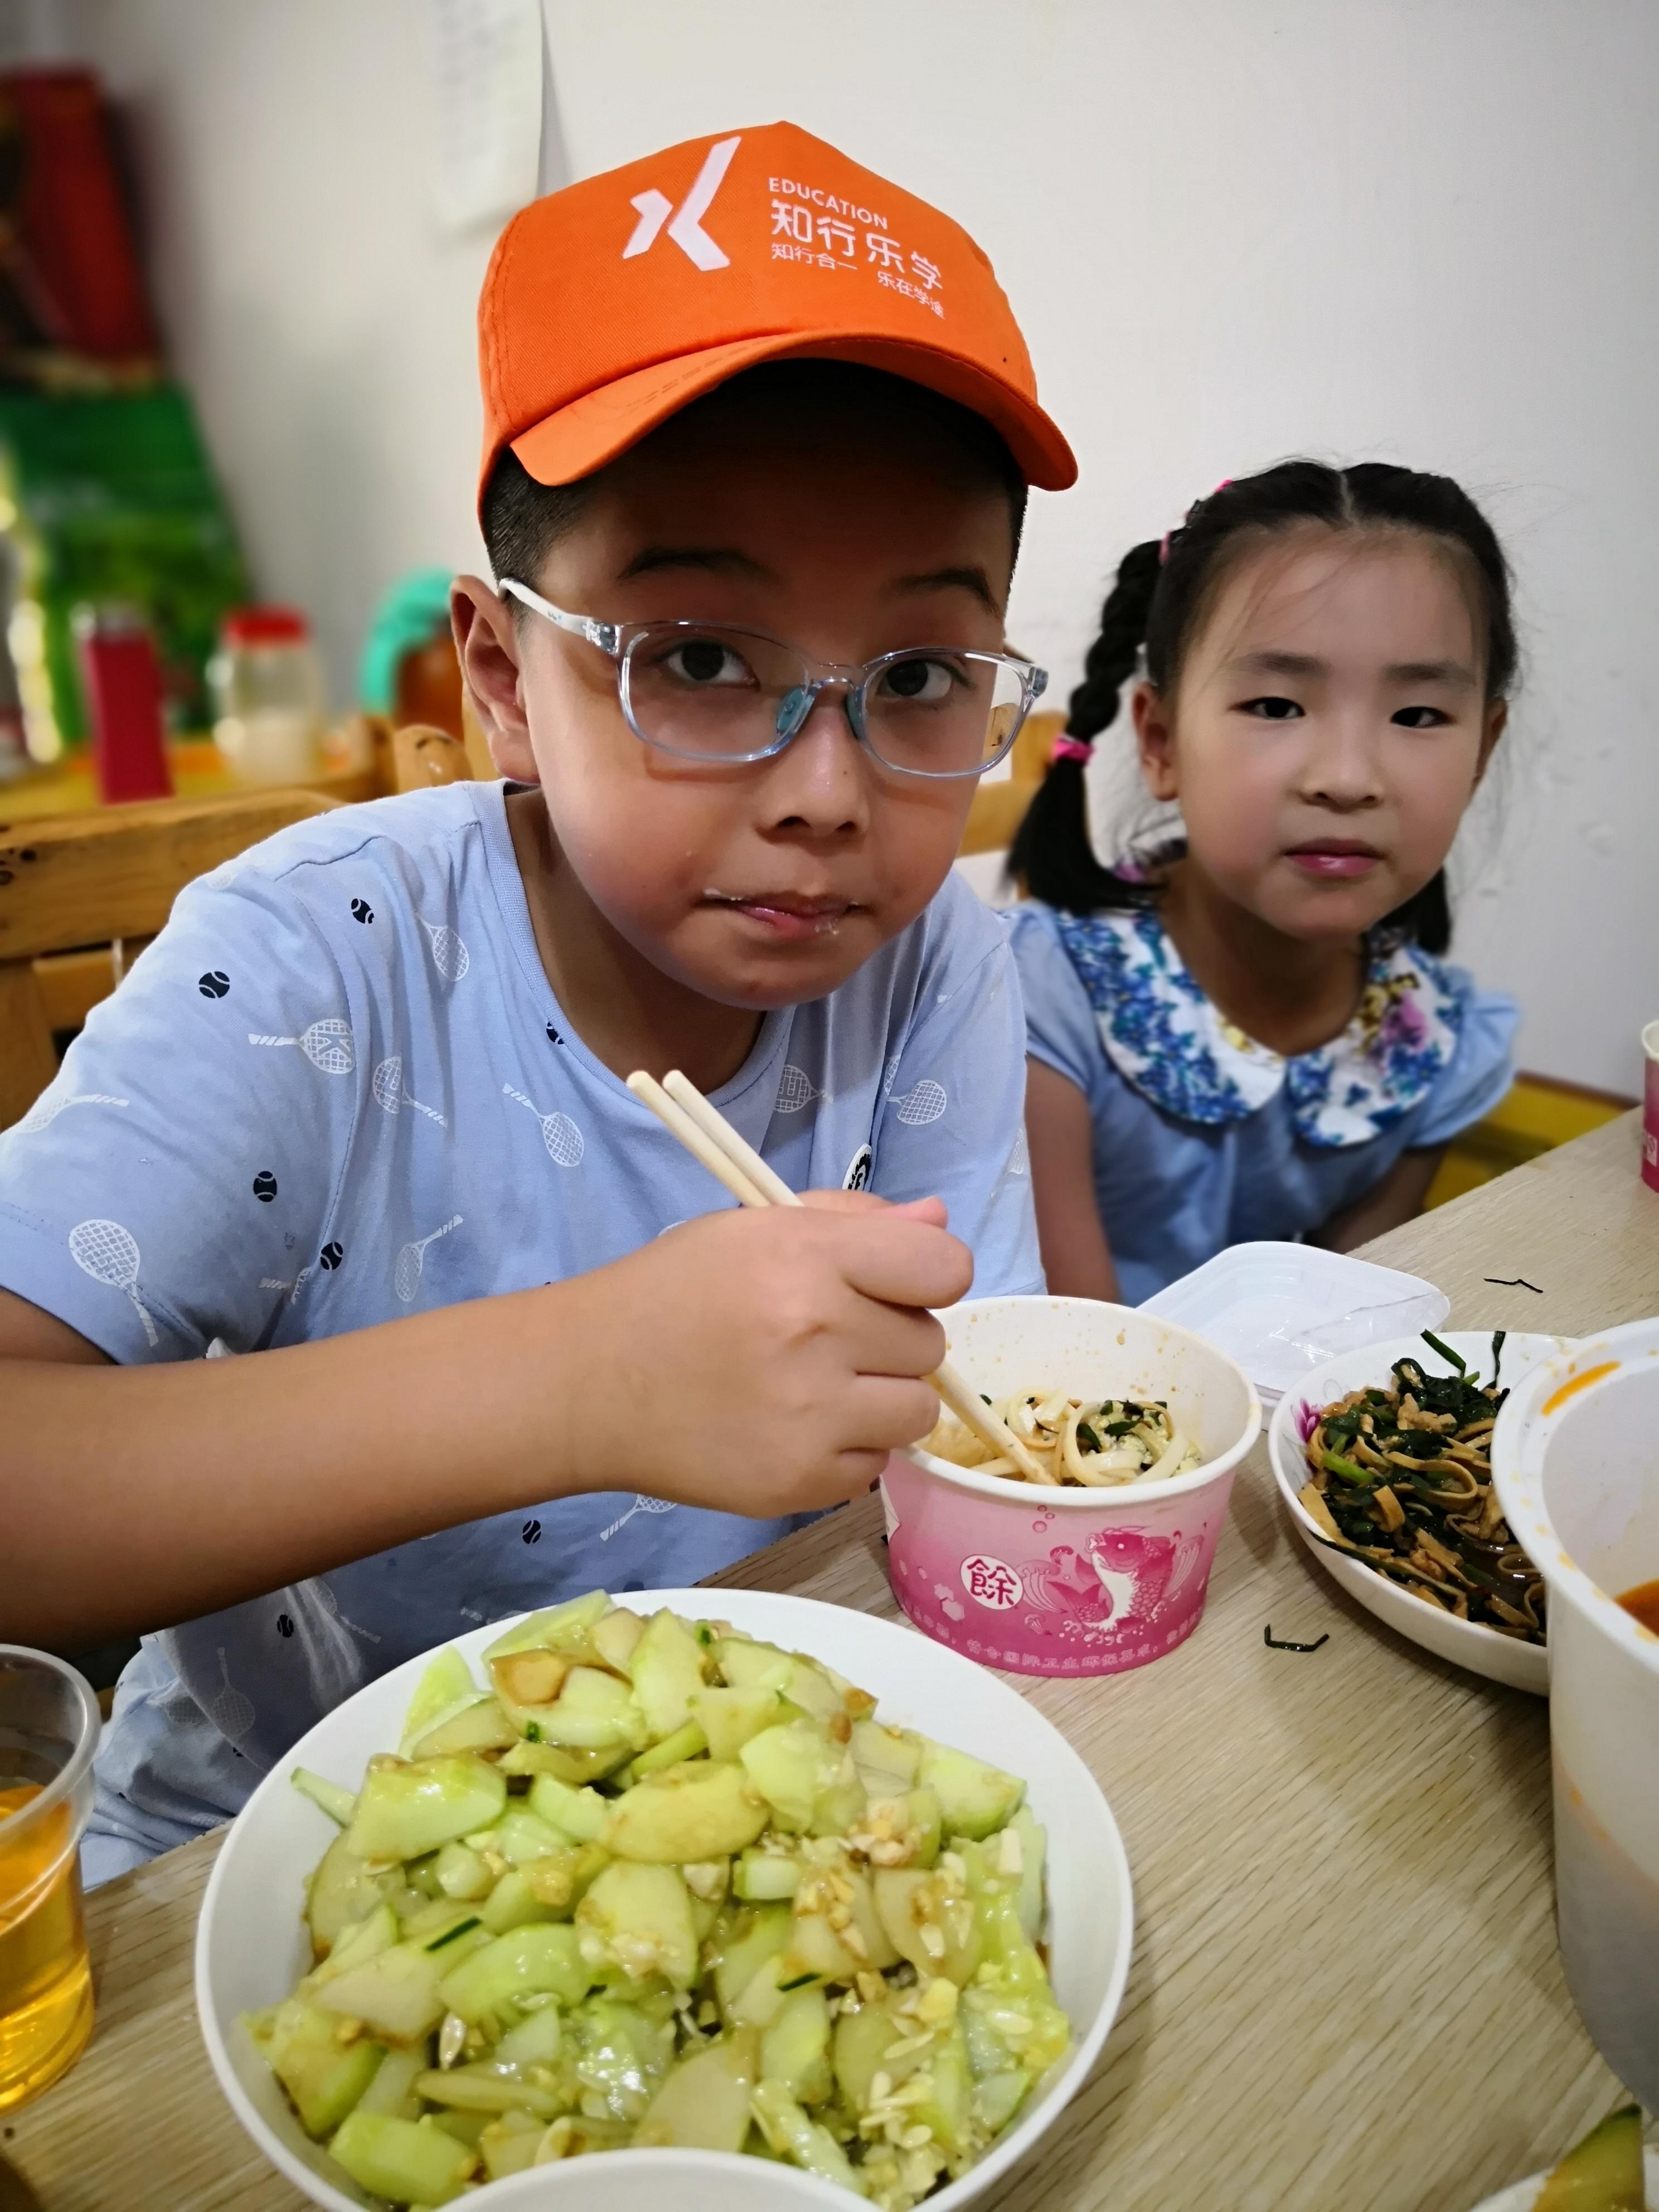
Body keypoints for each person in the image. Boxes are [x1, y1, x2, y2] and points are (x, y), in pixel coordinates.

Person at [0, 123, 1072, 1879]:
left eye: (923, 677)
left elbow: (969, 1412)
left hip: (749, 1813)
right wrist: (582, 1382)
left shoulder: (935, 951)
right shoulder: (315, 960)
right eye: (704, 661)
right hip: (267, 1853)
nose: (826, 791)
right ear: (503, 674)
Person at [1006, 461, 1518, 1306]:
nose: (1349, 778)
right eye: (1278, 706)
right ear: (1161, 739)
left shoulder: (1435, 1048)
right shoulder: (1041, 1005)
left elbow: (1347, 1335)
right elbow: (1077, 1367)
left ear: (1482, 753)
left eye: (1419, 716)